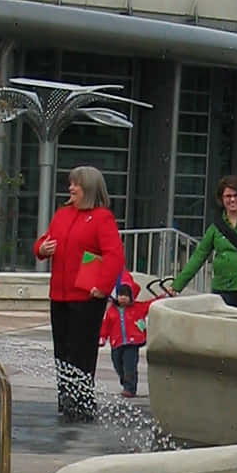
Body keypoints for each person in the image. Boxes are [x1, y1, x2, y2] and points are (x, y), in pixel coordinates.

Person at [34, 166, 124, 419]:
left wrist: (102, 287)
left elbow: (114, 255)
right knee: (61, 351)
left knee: (80, 353)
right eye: (71, 184)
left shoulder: (102, 218)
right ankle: (66, 401)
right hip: (60, 296)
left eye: (77, 185)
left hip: (86, 297)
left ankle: (83, 404)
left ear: (90, 189)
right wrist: (42, 248)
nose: (71, 188)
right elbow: (43, 242)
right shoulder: (62, 214)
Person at [171, 176, 237, 310]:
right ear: (221, 199)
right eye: (228, 196)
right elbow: (199, 257)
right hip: (222, 290)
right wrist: (176, 286)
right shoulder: (216, 226)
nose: (232, 200)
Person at [99, 271, 152, 398]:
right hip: (116, 343)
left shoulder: (138, 308)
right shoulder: (112, 311)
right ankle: (126, 382)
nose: (123, 297)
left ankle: (130, 387)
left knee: (130, 365)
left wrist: (164, 296)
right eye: (120, 294)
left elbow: (151, 303)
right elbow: (106, 325)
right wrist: (103, 337)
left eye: (126, 295)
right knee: (117, 364)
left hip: (131, 343)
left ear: (132, 296)